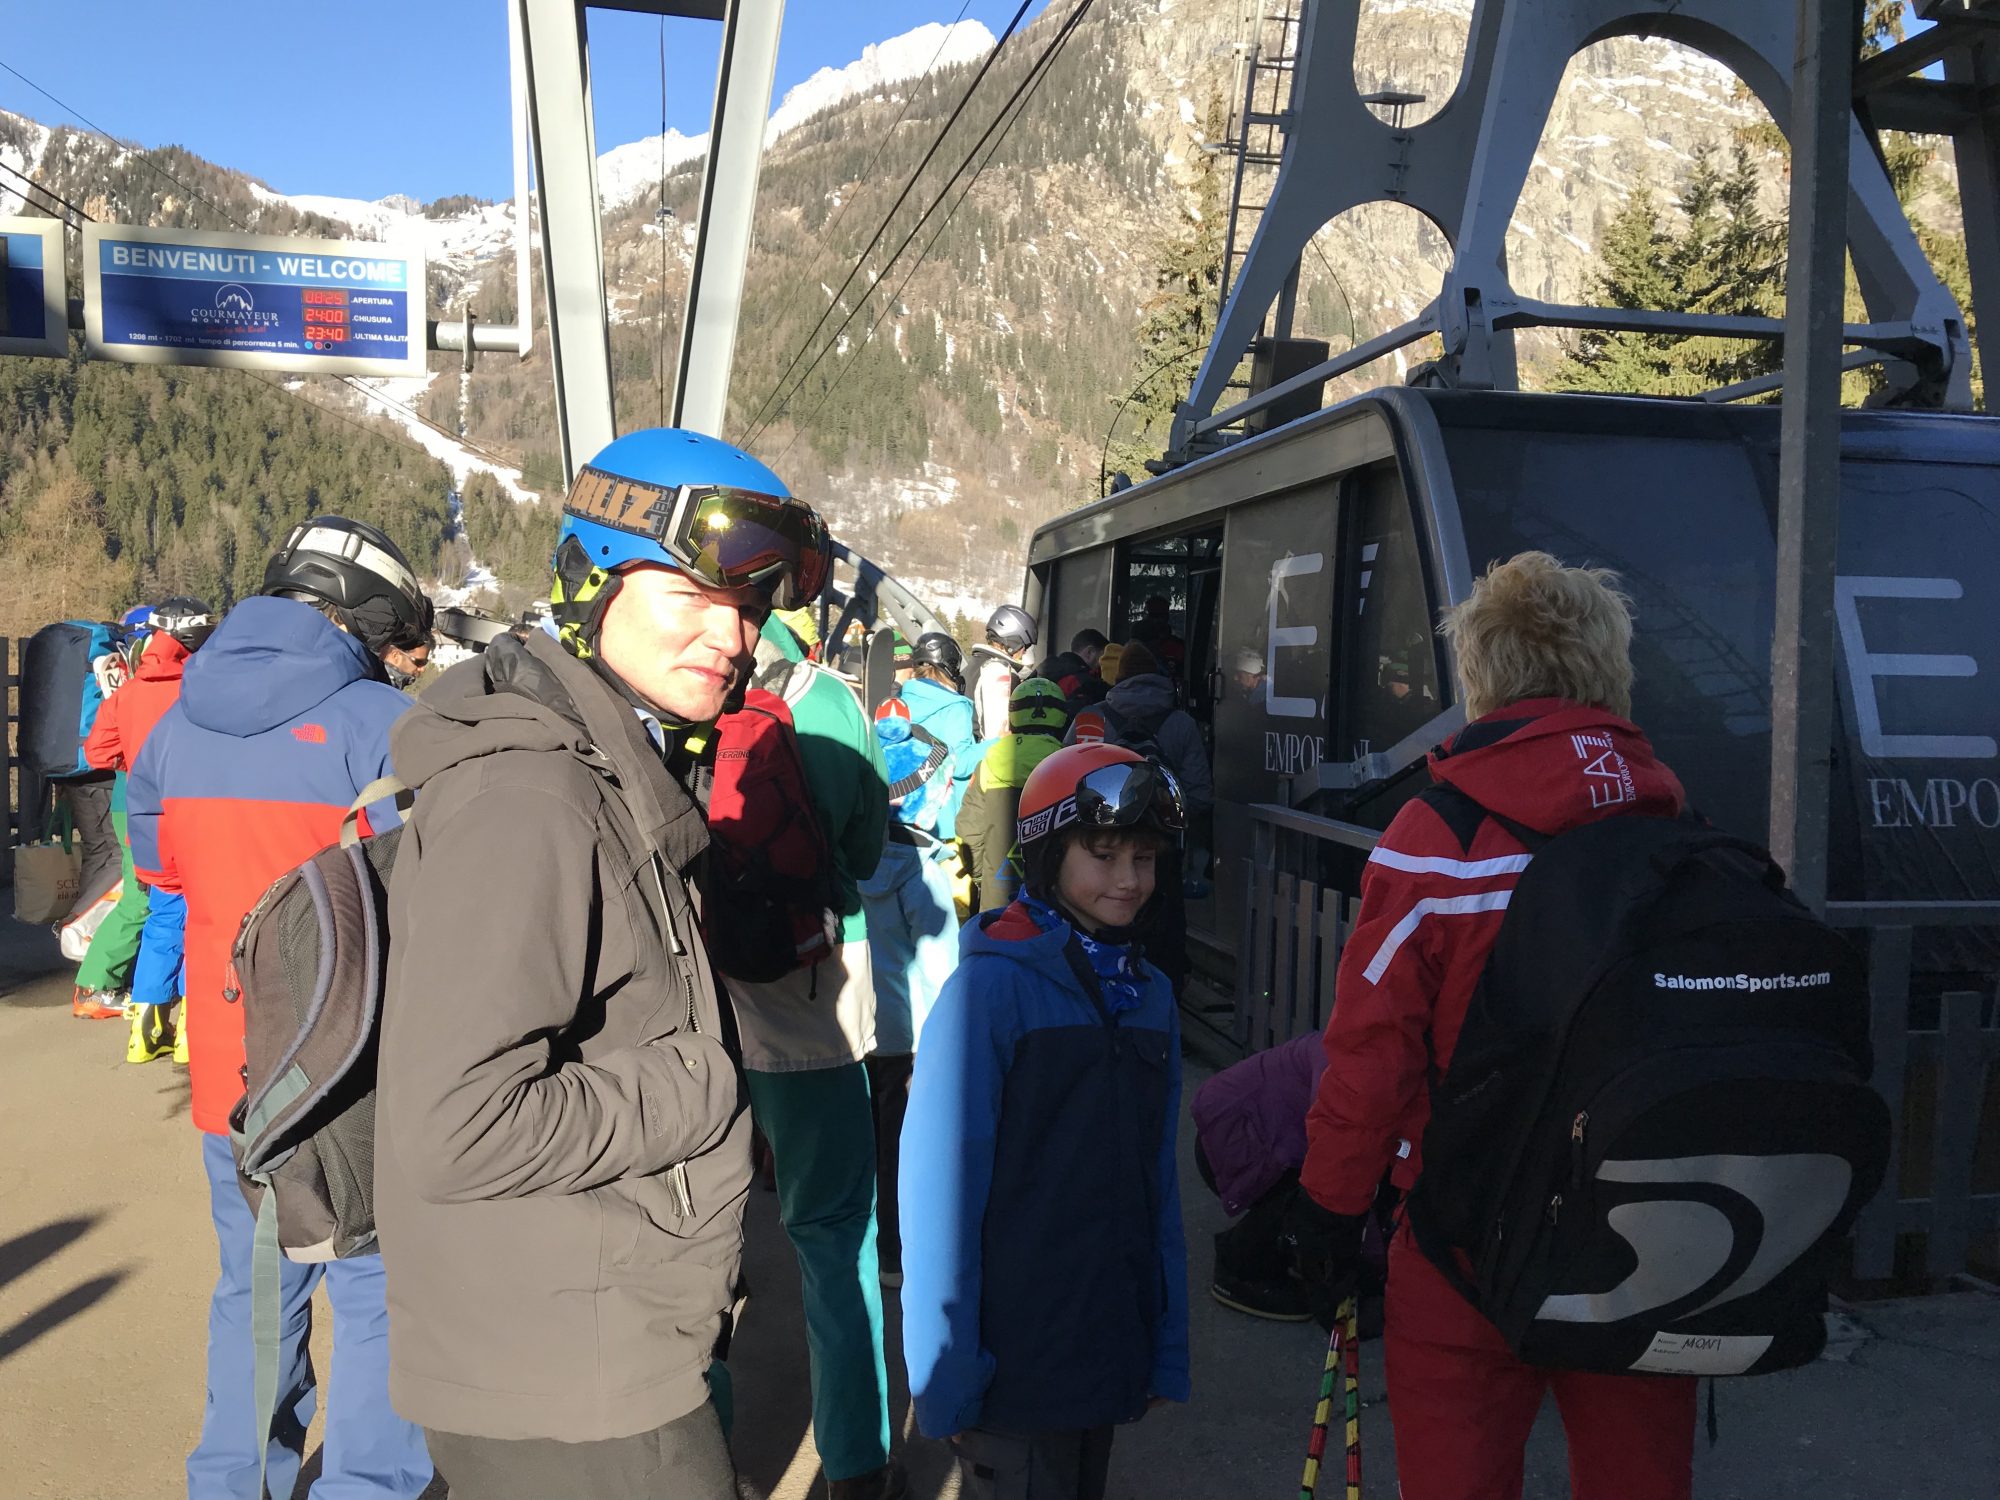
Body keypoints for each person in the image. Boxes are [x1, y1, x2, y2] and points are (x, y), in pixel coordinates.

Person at [372, 431, 830, 1500]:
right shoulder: (533, 799)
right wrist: (705, 1082)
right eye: (695, 597)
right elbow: (457, 1124)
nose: (734, 635)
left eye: (753, 608)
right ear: (591, 577)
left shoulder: (604, 769)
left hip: (579, 1337)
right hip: (567, 1382)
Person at [1289, 551, 1696, 1500]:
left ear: (1484, 673)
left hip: (1465, 1234)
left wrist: (1326, 1209)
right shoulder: (1676, 827)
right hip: (1646, 1233)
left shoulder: (1440, 839)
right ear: (1607, 667)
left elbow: (1372, 1052)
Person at [126, 517, 435, 1500]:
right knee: (382, 1297)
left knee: (256, 1290)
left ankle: (230, 1484)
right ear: (367, 615)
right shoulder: (382, 727)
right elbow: (435, 897)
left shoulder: (172, 725)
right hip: (357, 1071)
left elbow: (156, 873)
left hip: (231, 1072)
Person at [901, 743, 1190, 1500]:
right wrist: (946, 1375)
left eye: (1145, 857)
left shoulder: (1150, 995)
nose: (1129, 880)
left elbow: (1156, 1187)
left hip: (1105, 1348)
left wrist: (1163, 1344)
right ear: (1047, 854)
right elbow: (938, 1198)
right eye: (1103, 855)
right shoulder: (990, 991)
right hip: (1014, 1365)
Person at [727, 612, 904, 1500]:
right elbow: (867, 851)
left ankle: (702, 1453)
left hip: (699, 991)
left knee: (696, 1239)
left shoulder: (680, 695)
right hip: (819, 988)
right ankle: (856, 1464)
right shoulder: (832, 699)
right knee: (837, 1237)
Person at [80, 596, 215, 1064]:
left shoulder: (129, 692)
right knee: (204, 921)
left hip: (146, 822)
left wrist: (135, 760)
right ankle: (190, 1034)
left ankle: (145, 1030)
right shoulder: (203, 687)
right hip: (197, 820)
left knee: (161, 915)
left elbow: (98, 754)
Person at [856, 705, 959, 1291]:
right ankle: (895, 1254)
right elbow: (944, 964)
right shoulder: (921, 870)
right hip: (907, 1034)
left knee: (859, 1142)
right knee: (902, 1148)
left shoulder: (844, 860)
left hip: (851, 1027)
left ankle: (860, 1246)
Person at [960, 676, 1070, 912]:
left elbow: (968, 831)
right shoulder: (1070, 765)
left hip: (998, 898)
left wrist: (982, 878)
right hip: (1054, 903)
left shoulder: (988, 762)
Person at [898, 631, 979, 840]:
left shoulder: (900, 701)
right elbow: (959, 762)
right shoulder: (955, 707)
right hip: (942, 820)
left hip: (903, 813)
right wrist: (999, 743)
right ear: (951, 664)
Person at [969, 603, 1037, 741]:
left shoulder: (972, 667)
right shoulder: (998, 673)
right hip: (989, 757)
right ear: (1013, 643)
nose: (1024, 652)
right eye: (1024, 646)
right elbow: (998, 734)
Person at [1039, 629, 1109, 711]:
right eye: (1102, 657)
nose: (1103, 663)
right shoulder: (1082, 682)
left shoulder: (1046, 672)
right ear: (1090, 652)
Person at [1129, 595, 1186, 685]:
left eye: (1160, 615)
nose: (1156, 620)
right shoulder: (1136, 645)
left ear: (1167, 616)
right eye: (1152, 615)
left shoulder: (1179, 646)